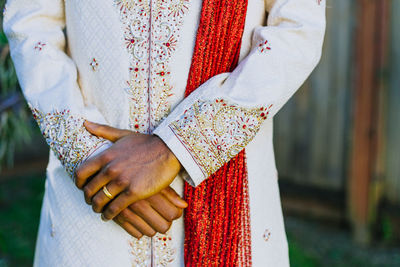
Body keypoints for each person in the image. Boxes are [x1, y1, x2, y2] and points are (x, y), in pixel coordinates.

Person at [3, 0, 326, 266]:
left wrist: (177, 148)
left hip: (226, 180)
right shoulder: (93, 163)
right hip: (93, 195)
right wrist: (90, 155)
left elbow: (297, 30)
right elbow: (30, 25)